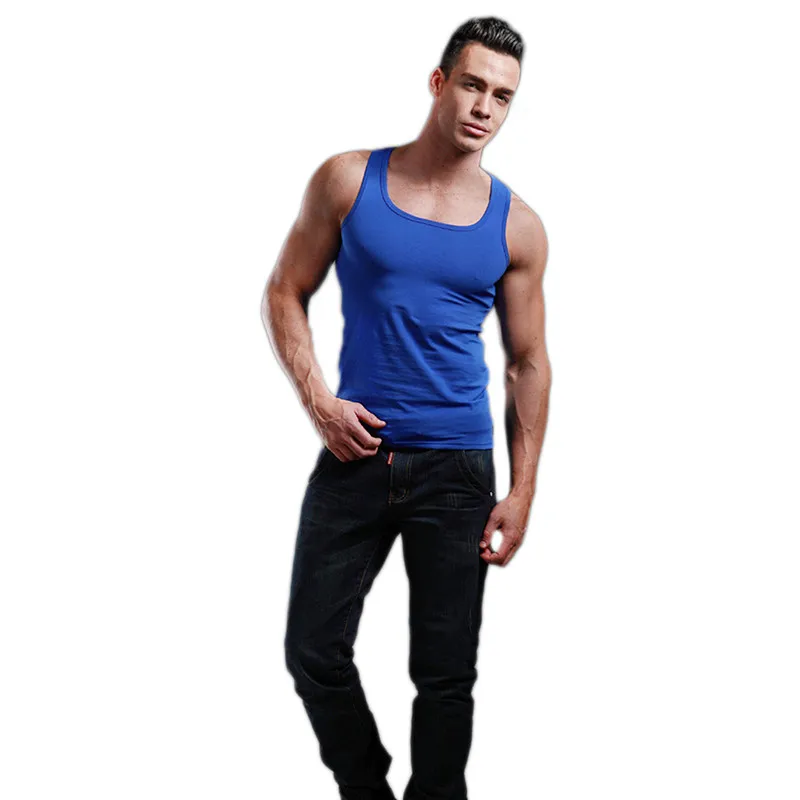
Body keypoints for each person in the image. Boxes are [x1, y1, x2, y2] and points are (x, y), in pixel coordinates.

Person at [261, 16, 550, 800]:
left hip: (458, 470)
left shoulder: (517, 225)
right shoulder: (348, 180)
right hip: (356, 451)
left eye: (503, 96)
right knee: (312, 650)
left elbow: (527, 362)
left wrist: (522, 490)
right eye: (473, 85)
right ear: (438, 82)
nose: (485, 107)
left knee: (445, 676)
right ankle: (367, 790)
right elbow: (284, 290)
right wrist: (319, 402)